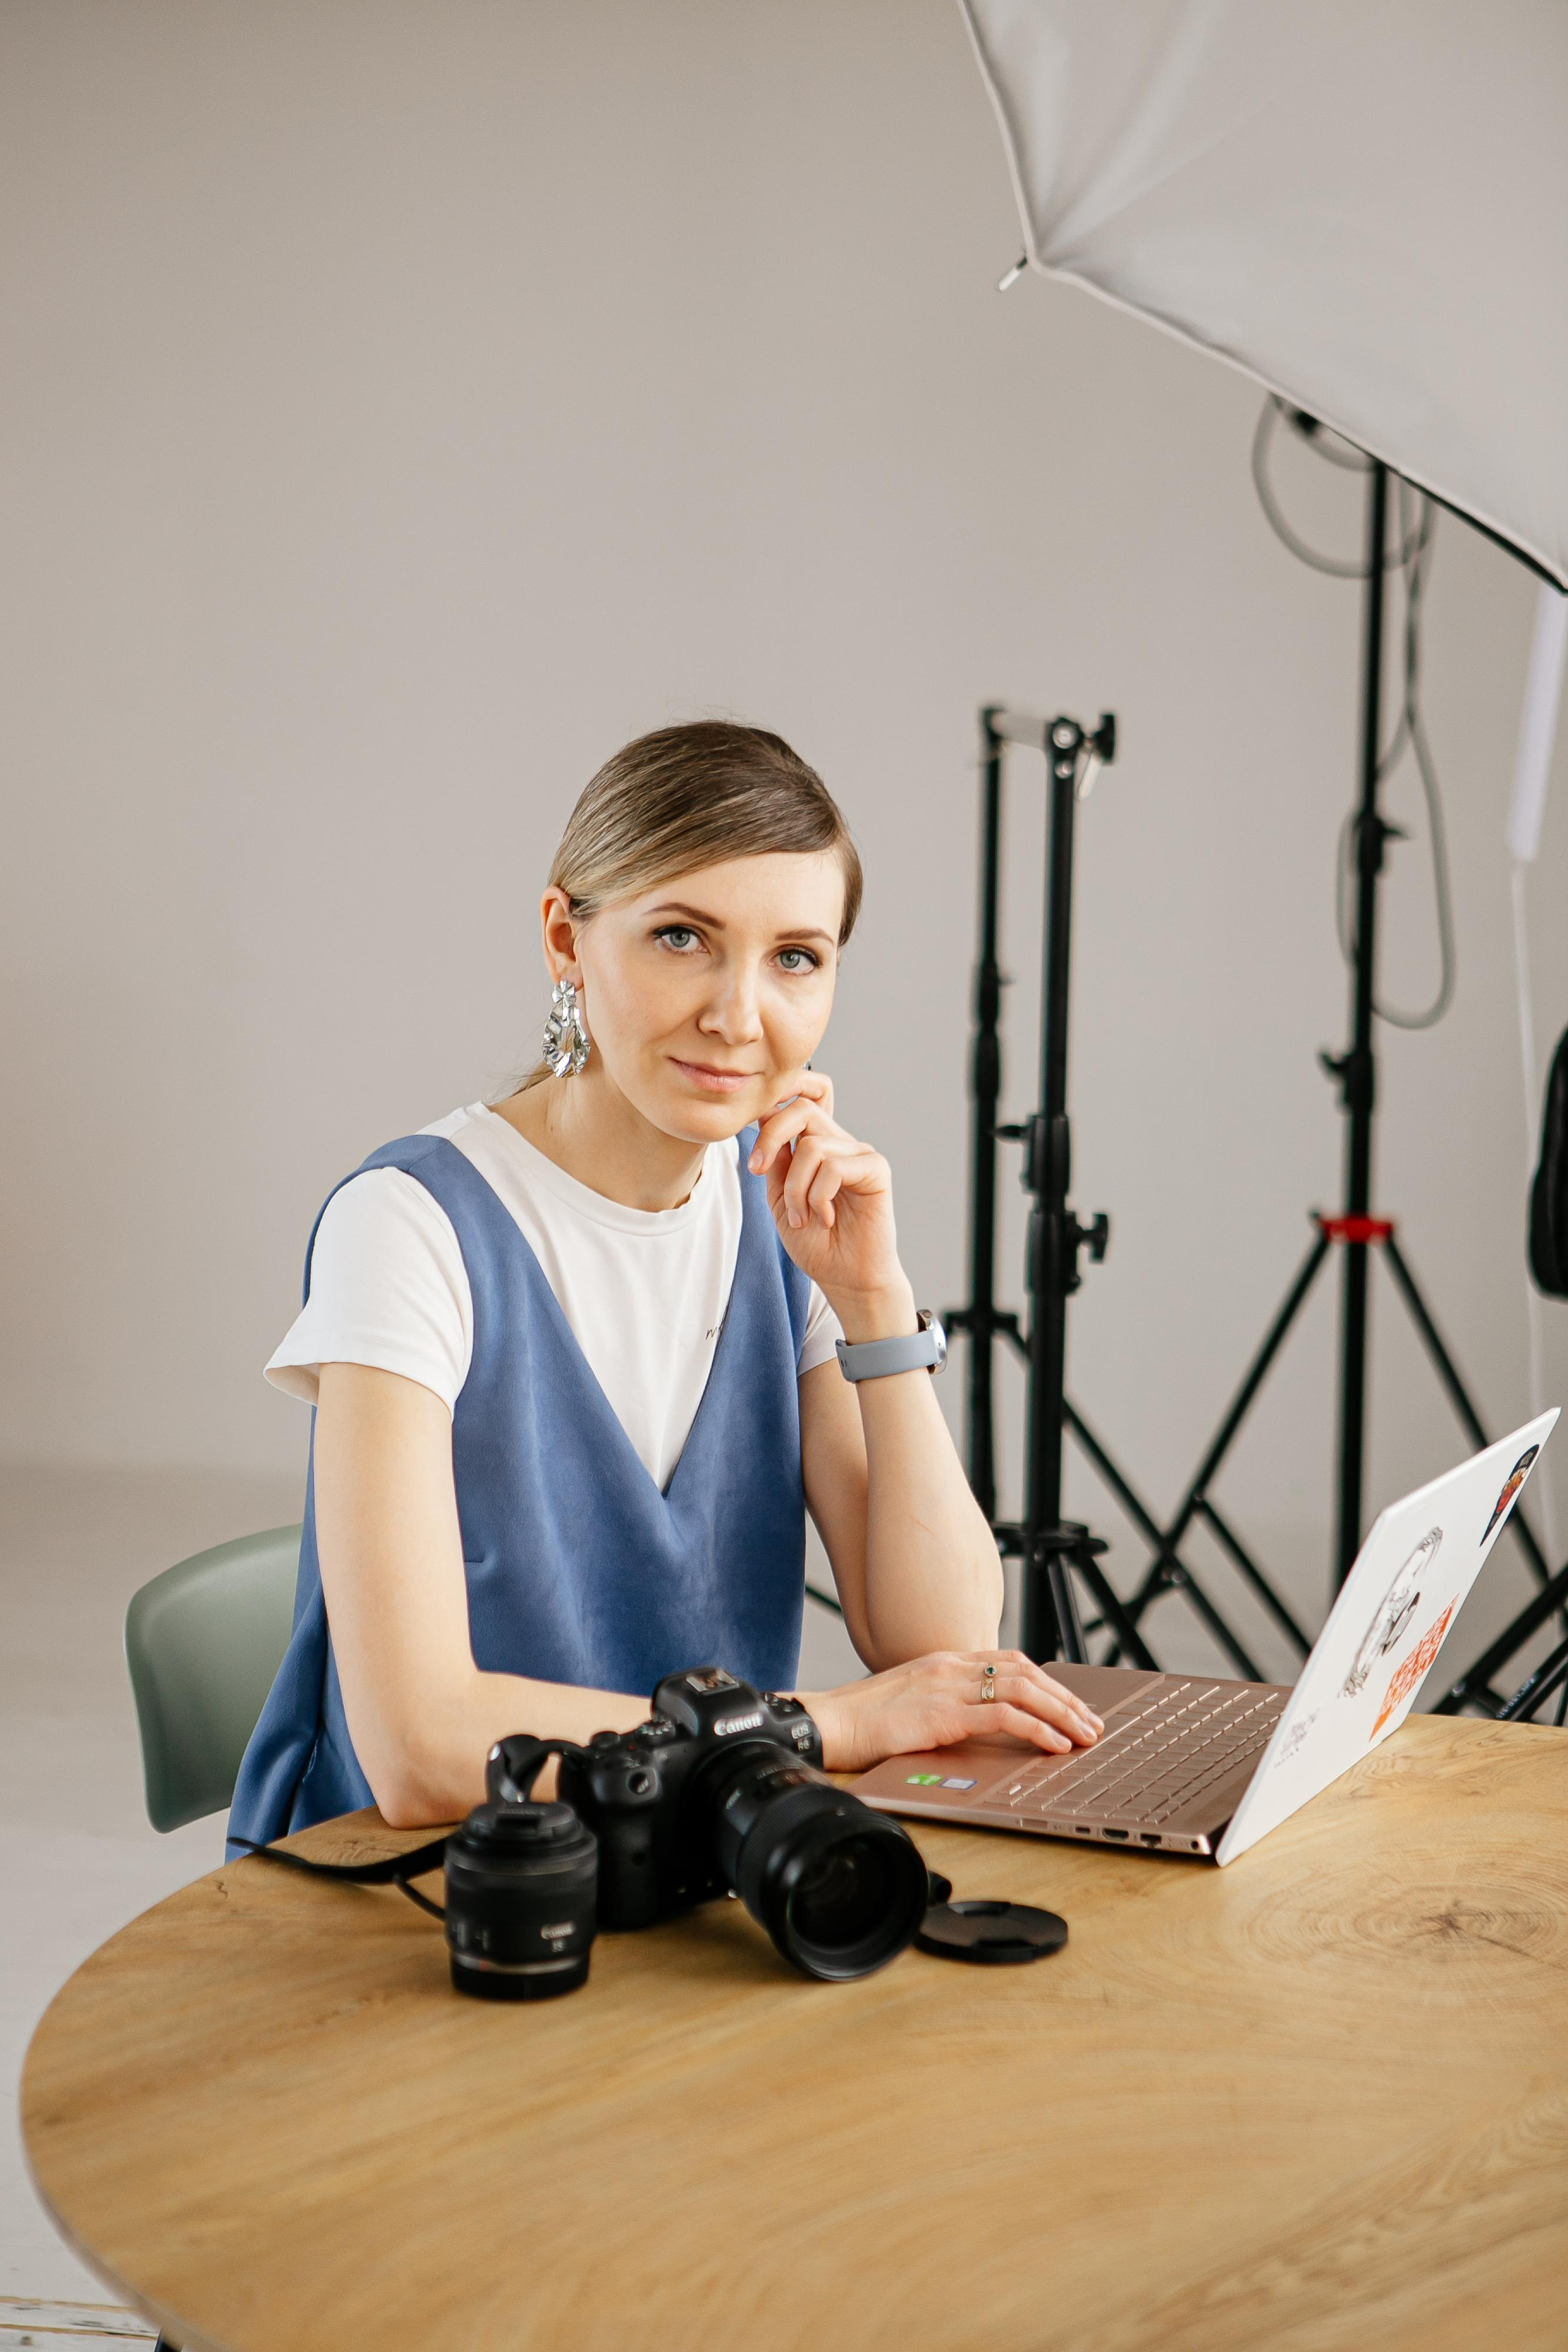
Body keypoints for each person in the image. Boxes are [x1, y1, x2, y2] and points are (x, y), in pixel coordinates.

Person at [229, 722, 1101, 1847]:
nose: (741, 1018)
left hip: (687, 1867)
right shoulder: (409, 1227)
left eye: (796, 957)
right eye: (683, 937)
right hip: (435, 1891)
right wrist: (821, 1728)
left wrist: (877, 1303)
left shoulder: (787, 1218)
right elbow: (422, 1748)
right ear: (565, 939)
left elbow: (941, 1646)